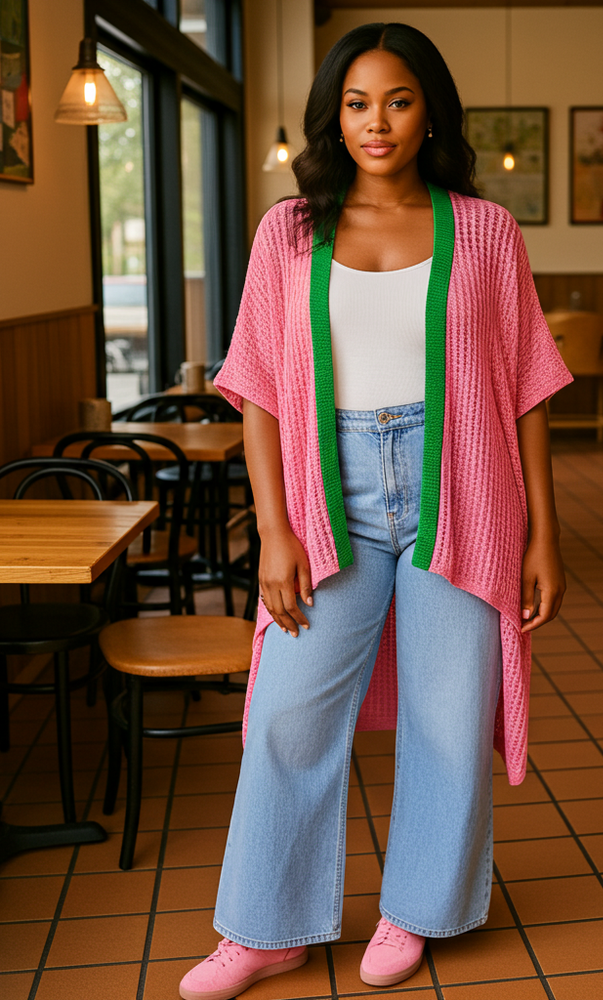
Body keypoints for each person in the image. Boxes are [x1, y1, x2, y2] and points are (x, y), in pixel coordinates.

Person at [179, 21, 572, 1000]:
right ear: (333, 115)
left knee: (447, 718)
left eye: (396, 100)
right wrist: (272, 529)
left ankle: (414, 910)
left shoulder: (483, 231)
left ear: (428, 107)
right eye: (356, 103)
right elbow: (260, 390)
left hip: (466, 494)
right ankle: (266, 929)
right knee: (286, 715)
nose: (376, 122)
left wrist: (542, 537)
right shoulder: (290, 230)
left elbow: (525, 388)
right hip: (329, 499)